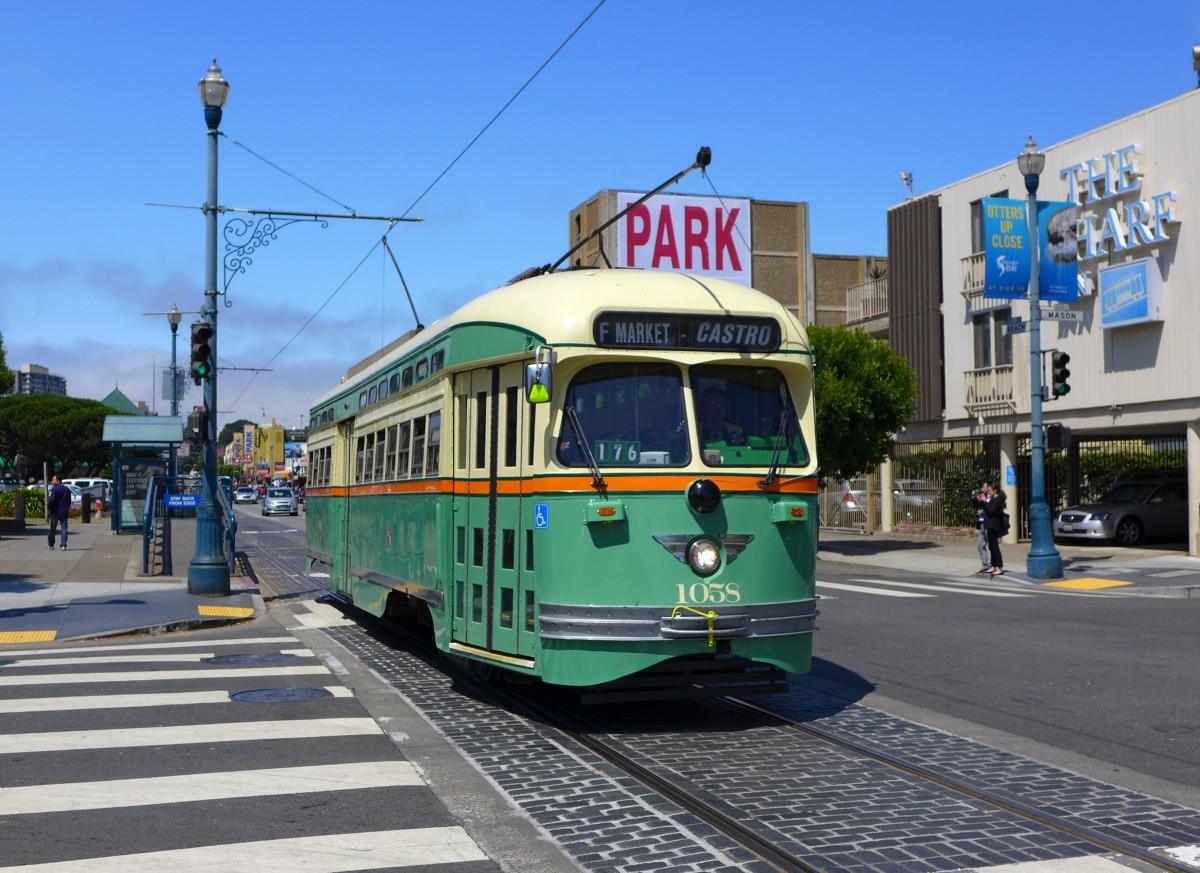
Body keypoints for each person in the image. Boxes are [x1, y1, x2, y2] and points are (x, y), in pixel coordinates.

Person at [980, 480, 1007, 575]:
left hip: (994, 525)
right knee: (991, 546)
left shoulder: (998, 500)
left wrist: (984, 502)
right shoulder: (993, 499)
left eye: (990, 490)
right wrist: (983, 511)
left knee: (995, 546)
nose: (988, 492)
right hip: (990, 524)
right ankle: (994, 566)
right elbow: (988, 510)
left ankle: (1000, 567)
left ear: (995, 490)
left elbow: (991, 511)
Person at [47, 474, 72, 551]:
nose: (52, 481)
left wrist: (49, 508)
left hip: (55, 512)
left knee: (53, 529)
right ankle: (63, 545)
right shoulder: (67, 490)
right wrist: (66, 508)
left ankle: (51, 544)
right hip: (64, 512)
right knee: (64, 528)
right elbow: (69, 501)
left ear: (58, 481)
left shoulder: (54, 489)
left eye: (53, 480)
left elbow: (52, 500)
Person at [969, 486, 990, 573]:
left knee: (992, 545)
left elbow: (991, 509)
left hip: (988, 524)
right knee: (980, 545)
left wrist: (983, 511)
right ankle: (985, 565)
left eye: (984, 487)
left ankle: (994, 565)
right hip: (981, 523)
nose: (982, 489)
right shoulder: (981, 496)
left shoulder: (990, 498)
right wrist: (974, 497)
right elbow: (977, 506)